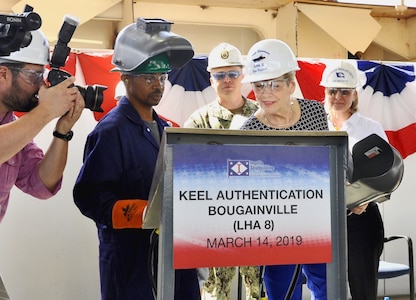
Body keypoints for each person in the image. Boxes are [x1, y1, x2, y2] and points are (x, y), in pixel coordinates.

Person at [73, 20, 200, 300]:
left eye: (163, 78)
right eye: (149, 78)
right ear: (125, 78)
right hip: (130, 262)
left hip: (175, 256)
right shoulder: (110, 132)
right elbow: (89, 197)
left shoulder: (168, 129)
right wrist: (143, 213)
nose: (158, 85)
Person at [240, 39, 329, 300]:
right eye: (259, 85)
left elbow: (335, 161)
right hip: (276, 232)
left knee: (328, 288)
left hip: (318, 225)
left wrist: (351, 193)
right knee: (282, 293)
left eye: (274, 84)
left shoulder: (315, 112)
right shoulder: (250, 131)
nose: (265, 93)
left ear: (291, 84)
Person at [0, 29, 84, 297]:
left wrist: (62, 131)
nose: (40, 85)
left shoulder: (14, 126)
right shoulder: (19, 128)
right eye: (33, 76)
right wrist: (45, 112)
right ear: (2, 74)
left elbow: (42, 183)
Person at [184, 43, 260, 300]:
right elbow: (186, 170)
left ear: (242, 75)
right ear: (210, 79)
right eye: (220, 75)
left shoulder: (263, 117)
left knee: (258, 290)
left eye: (232, 73)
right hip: (216, 219)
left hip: (258, 217)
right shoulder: (198, 121)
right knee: (216, 292)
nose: (227, 80)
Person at [321, 61, 386, 300]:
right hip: (322, 220)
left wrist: (362, 199)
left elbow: (383, 174)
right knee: (325, 289)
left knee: (363, 289)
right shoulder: (314, 126)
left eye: (345, 91)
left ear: (354, 94)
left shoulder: (370, 128)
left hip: (361, 218)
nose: (338, 96)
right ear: (324, 92)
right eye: (332, 90)